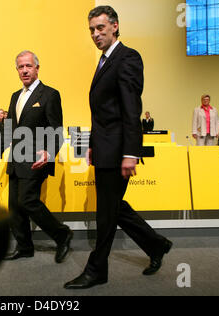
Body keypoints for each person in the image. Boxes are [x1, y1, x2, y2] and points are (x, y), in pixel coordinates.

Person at [64, 6, 172, 290]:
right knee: (113, 208)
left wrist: (130, 153)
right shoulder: (104, 61)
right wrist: (92, 145)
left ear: (115, 26)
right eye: (91, 30)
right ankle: (157, 245)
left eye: (100, 28)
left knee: (106, 212)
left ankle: (97, 269)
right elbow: (103, 112)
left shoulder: (128, 58)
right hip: (104, 148)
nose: (95, 34)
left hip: (118, 152)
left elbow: (130, 110)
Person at [0, 50, 73, 263]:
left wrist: (50, 153)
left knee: (27, 201)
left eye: (28, 66)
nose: (24, 70)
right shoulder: (15, 96)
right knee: (15, 206)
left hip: (36, 159)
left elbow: (56, 130)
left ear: (37, 68)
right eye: (20, 67)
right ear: (17, 70)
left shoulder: (50, 94)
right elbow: (9, 129)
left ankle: (62, 234)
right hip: (15, 159)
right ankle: (24, 247)